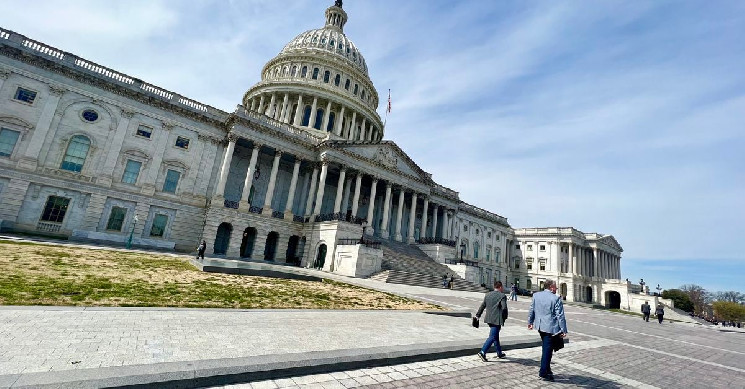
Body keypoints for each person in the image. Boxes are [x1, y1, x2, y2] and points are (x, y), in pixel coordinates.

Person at [527, 279, 568, 382]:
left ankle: (548, 370)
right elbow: (560, 316)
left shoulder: (536, 295)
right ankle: (543, 373)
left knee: (547, 348)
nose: (556, 289)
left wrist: (530, 322)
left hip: (540, 326)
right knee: (547, 351)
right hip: (550, 328)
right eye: (555, 287)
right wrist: (563, 330)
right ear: (551, 287)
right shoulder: (556, 299)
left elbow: (532, 309)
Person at [475, 281, 508, 362]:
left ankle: (499, 353)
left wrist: (477, 315)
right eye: (502, 287)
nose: (502, 289)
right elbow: (504, 308)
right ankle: (482, 352)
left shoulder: (488, 294)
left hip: (489, 319)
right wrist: (504, 317)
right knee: (493, 337)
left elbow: (482, 306)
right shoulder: (502, 296)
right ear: (500, 287)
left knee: (495, 336)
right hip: (497, 319)